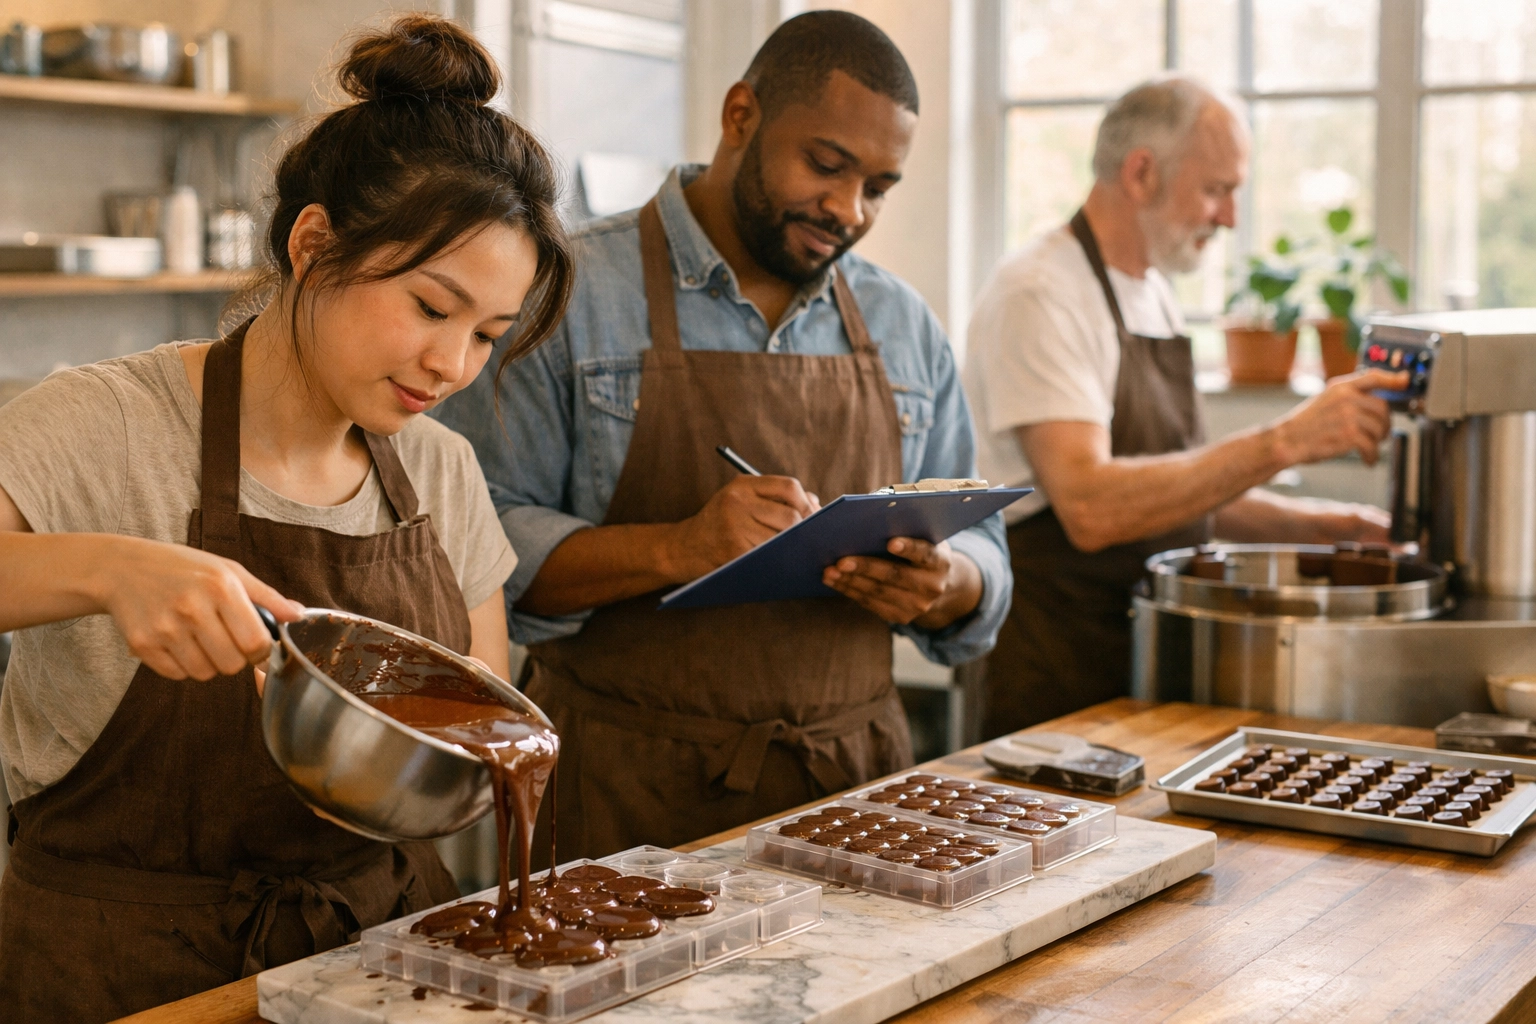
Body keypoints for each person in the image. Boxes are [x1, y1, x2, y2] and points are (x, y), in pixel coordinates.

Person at [0, 16, 573, 1021]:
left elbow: (482, 727)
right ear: (314, 246)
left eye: (488, 333)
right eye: (430, 307)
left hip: (376, 966)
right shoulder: (107, 422)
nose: (453, 365)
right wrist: (112, 571)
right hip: (119, 974)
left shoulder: (439, 468)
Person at [435, 10, 1010, 859]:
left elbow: (984, 546)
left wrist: (949, 582)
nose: (849, 209)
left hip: (850, 792)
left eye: (879, 187)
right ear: (741, 115)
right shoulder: (567, 292)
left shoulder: (904, 324)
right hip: (620, 795)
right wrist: (680, 547)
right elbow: (472, 553)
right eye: (826, 165)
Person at [963, 76, 1407, 735]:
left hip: (1138, 660)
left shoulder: (1153, 293)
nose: (1230, 217)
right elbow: (1090, 506)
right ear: (1141, 173)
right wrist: (1284, 441)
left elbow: (1181, 490)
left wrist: (1328, 530)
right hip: (1053, 669)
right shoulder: (1042, 292)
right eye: (1216, 189)